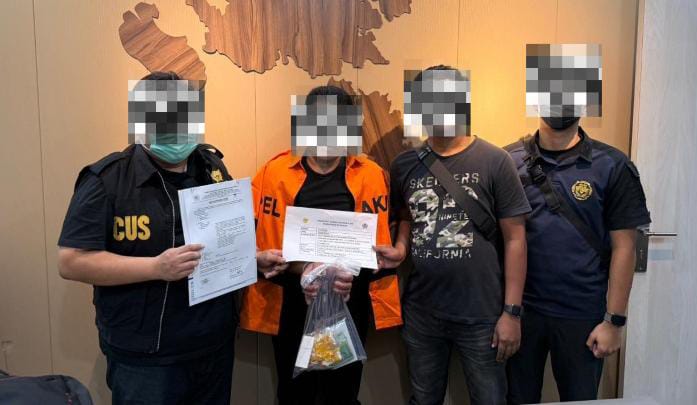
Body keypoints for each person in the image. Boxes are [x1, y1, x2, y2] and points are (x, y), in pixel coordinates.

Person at [57, 71, 274, 404]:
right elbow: (71, 261)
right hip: (146, 356)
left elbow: (224, 240)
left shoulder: (212, 168)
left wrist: (253, 258)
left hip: (213, 344)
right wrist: (156, 268)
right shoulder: (108, 179)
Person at [376, 65, 531, 405]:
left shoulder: (496, 161)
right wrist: (401, 248)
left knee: (490, 400)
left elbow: (516, 239)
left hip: (482, 314)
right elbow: (405, 216)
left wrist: (512, 313)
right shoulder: (404, 165)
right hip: (422, 310)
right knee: (423, 399)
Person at [239, 85, 403, 405]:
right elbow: (242, 231)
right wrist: (264, 259)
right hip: (290, 304)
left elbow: (399, 220)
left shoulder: (373, 175)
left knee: (343, 394)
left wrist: (400, 249)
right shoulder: (273, 173)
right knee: (294, 394)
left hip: (350, 301)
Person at [504, 117, 651, 403]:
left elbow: (625, 247)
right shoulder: (508, 161)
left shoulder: (613, 164)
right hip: (522, 312)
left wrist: (614, 322)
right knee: (518, 398)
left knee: (580, 399)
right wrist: (508, 313)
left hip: (583, 314)